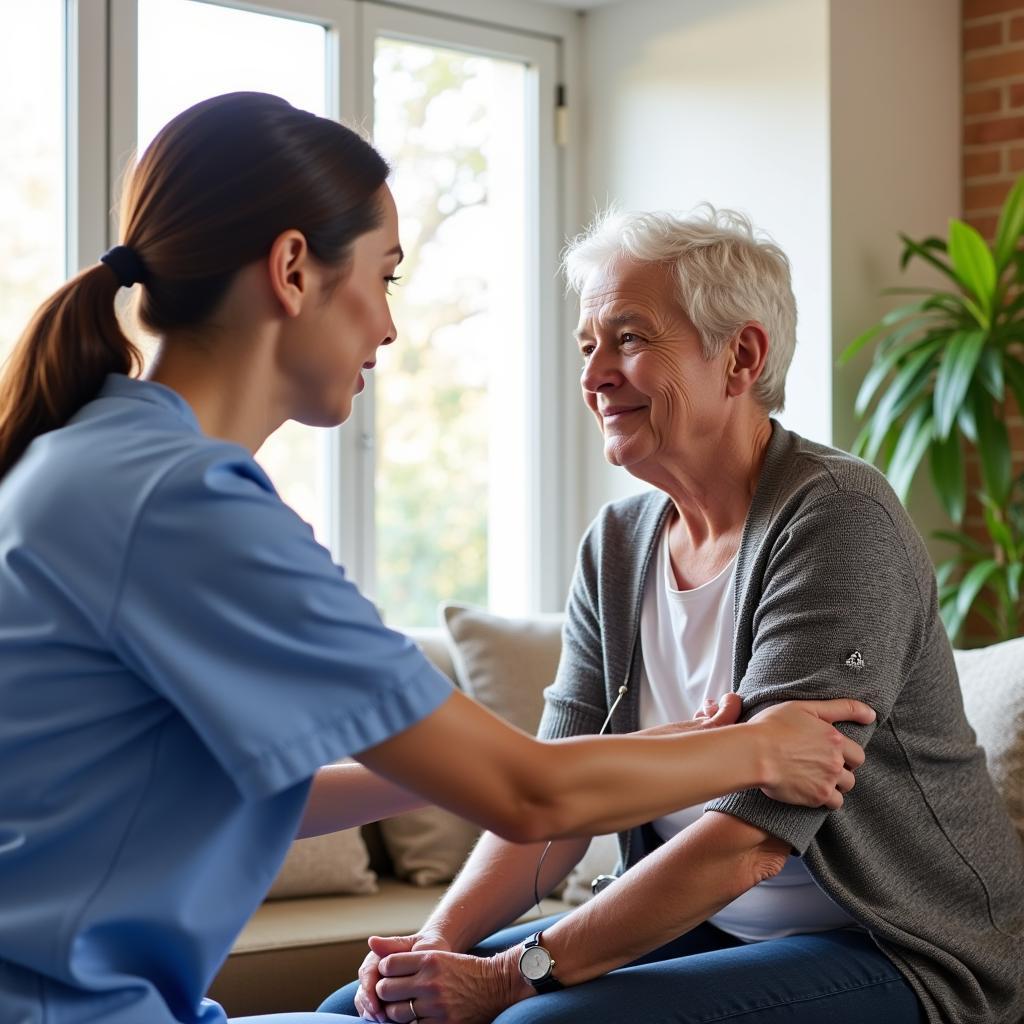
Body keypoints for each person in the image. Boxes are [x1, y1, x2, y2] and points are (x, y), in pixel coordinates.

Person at [0, 94, 876, 1024]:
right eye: (385, 276)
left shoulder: (97, 460)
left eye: (625, 340)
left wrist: (646, 756)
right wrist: (756, 745)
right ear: (293, 270)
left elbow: (257, 792)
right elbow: (530, 790)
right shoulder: (183, 504)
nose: (387, 325)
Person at [322, 207, 1024, 1024]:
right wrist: (434, 947)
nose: (593, 376)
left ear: (741, 357)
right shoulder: (617, 545)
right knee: (361, 1010)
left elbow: (754, 837)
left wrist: (514, 975)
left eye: (628, 339)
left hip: (895, 946)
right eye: (588, 346)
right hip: (716, 932)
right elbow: (554, 801)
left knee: (544, 1021)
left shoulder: (837, 516)